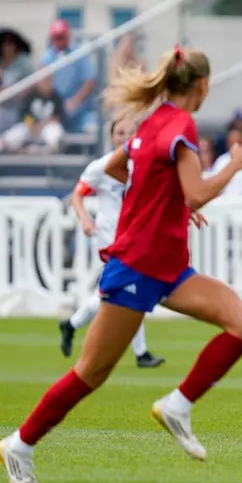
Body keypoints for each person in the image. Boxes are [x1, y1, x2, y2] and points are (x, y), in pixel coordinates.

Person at [0, 44, 242, 483]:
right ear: (203, 85)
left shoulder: (151, 121)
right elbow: (195, 194)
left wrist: (170, 196)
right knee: (91, 373)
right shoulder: (179, 124)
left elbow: (121, 169)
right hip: (138, 265)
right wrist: (233, 165)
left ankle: (177, 406)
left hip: (167, 265)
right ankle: (19, 444)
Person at [59, 115, 166, 368]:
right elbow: (77, 194)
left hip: (134, 237)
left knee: (123, 292)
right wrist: (85, 220)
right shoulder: (102, 166)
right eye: (120, 132)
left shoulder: (141, 165)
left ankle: (71, 324)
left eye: (130, 132)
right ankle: (141, 354)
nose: (125, 137)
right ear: (111, 137)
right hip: (111, 239)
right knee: (128, 288)